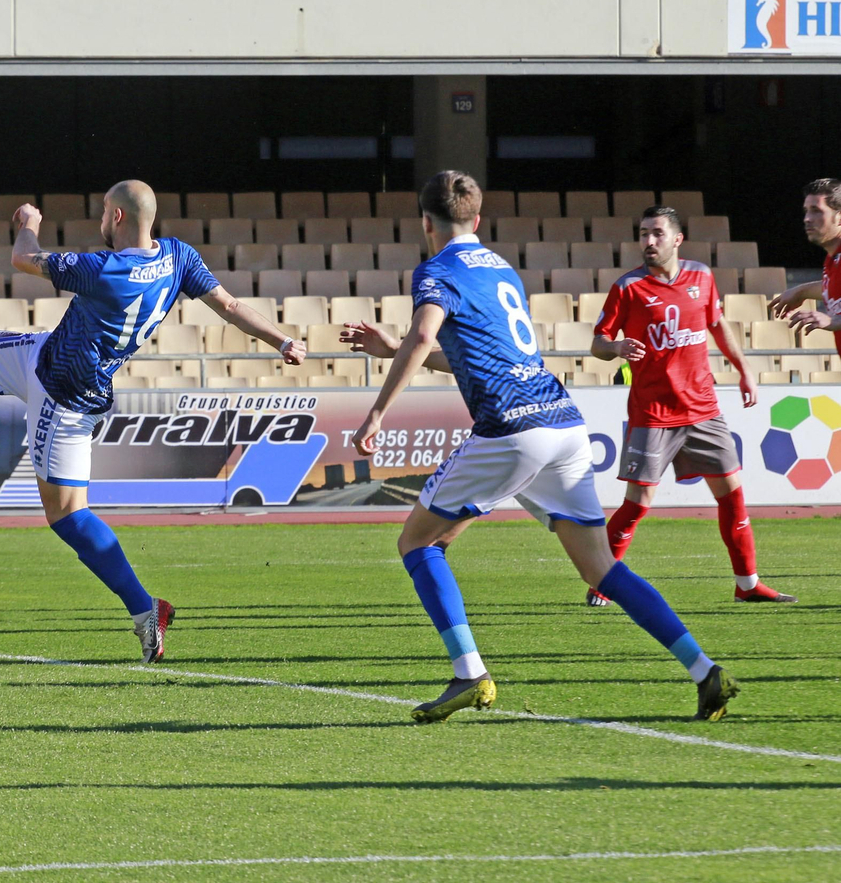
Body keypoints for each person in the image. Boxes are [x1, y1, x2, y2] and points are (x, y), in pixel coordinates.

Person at [341, 172, 738, 724]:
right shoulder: (500, 267)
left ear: (425, 223)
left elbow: (426, 336)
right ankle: (704, 669)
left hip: (510, 430)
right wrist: (393, 348)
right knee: (601, 568)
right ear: (478, 221)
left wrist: (377, 412)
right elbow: (467, 355)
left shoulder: (435, 270)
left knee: (417, 543)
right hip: (563, 422)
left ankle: (469, 674)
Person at [0, 180, 306, 663]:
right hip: (43, 352)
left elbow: (23, 259)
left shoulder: (103, 268)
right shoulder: (178, 256)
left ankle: (144, 609)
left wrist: (28, 224)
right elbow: (233, 307)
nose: (98, 221)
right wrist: (283, 341)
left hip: (65, 397)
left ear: (115, 218)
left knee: (67, 515)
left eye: (101, 213)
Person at [589, 205, 793, 606]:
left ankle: (747, 585)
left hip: (703, 409)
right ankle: (603, 582)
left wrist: (744, 369)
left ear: (677, 239)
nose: (648, 241)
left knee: (733, 495)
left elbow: (717, 325)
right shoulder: (628, 287)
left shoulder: (701, 276)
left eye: (657, 233)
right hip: (653, 414)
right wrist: (615, 347)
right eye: (643, 233)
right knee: (636, 504)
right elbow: (597, 343)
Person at [773, 177, 841, 350]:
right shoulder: (832, 259)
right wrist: (801, 291)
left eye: (816, 210)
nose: (807, 218)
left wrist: (834, 320)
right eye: (806, 211)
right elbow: (835, 288)